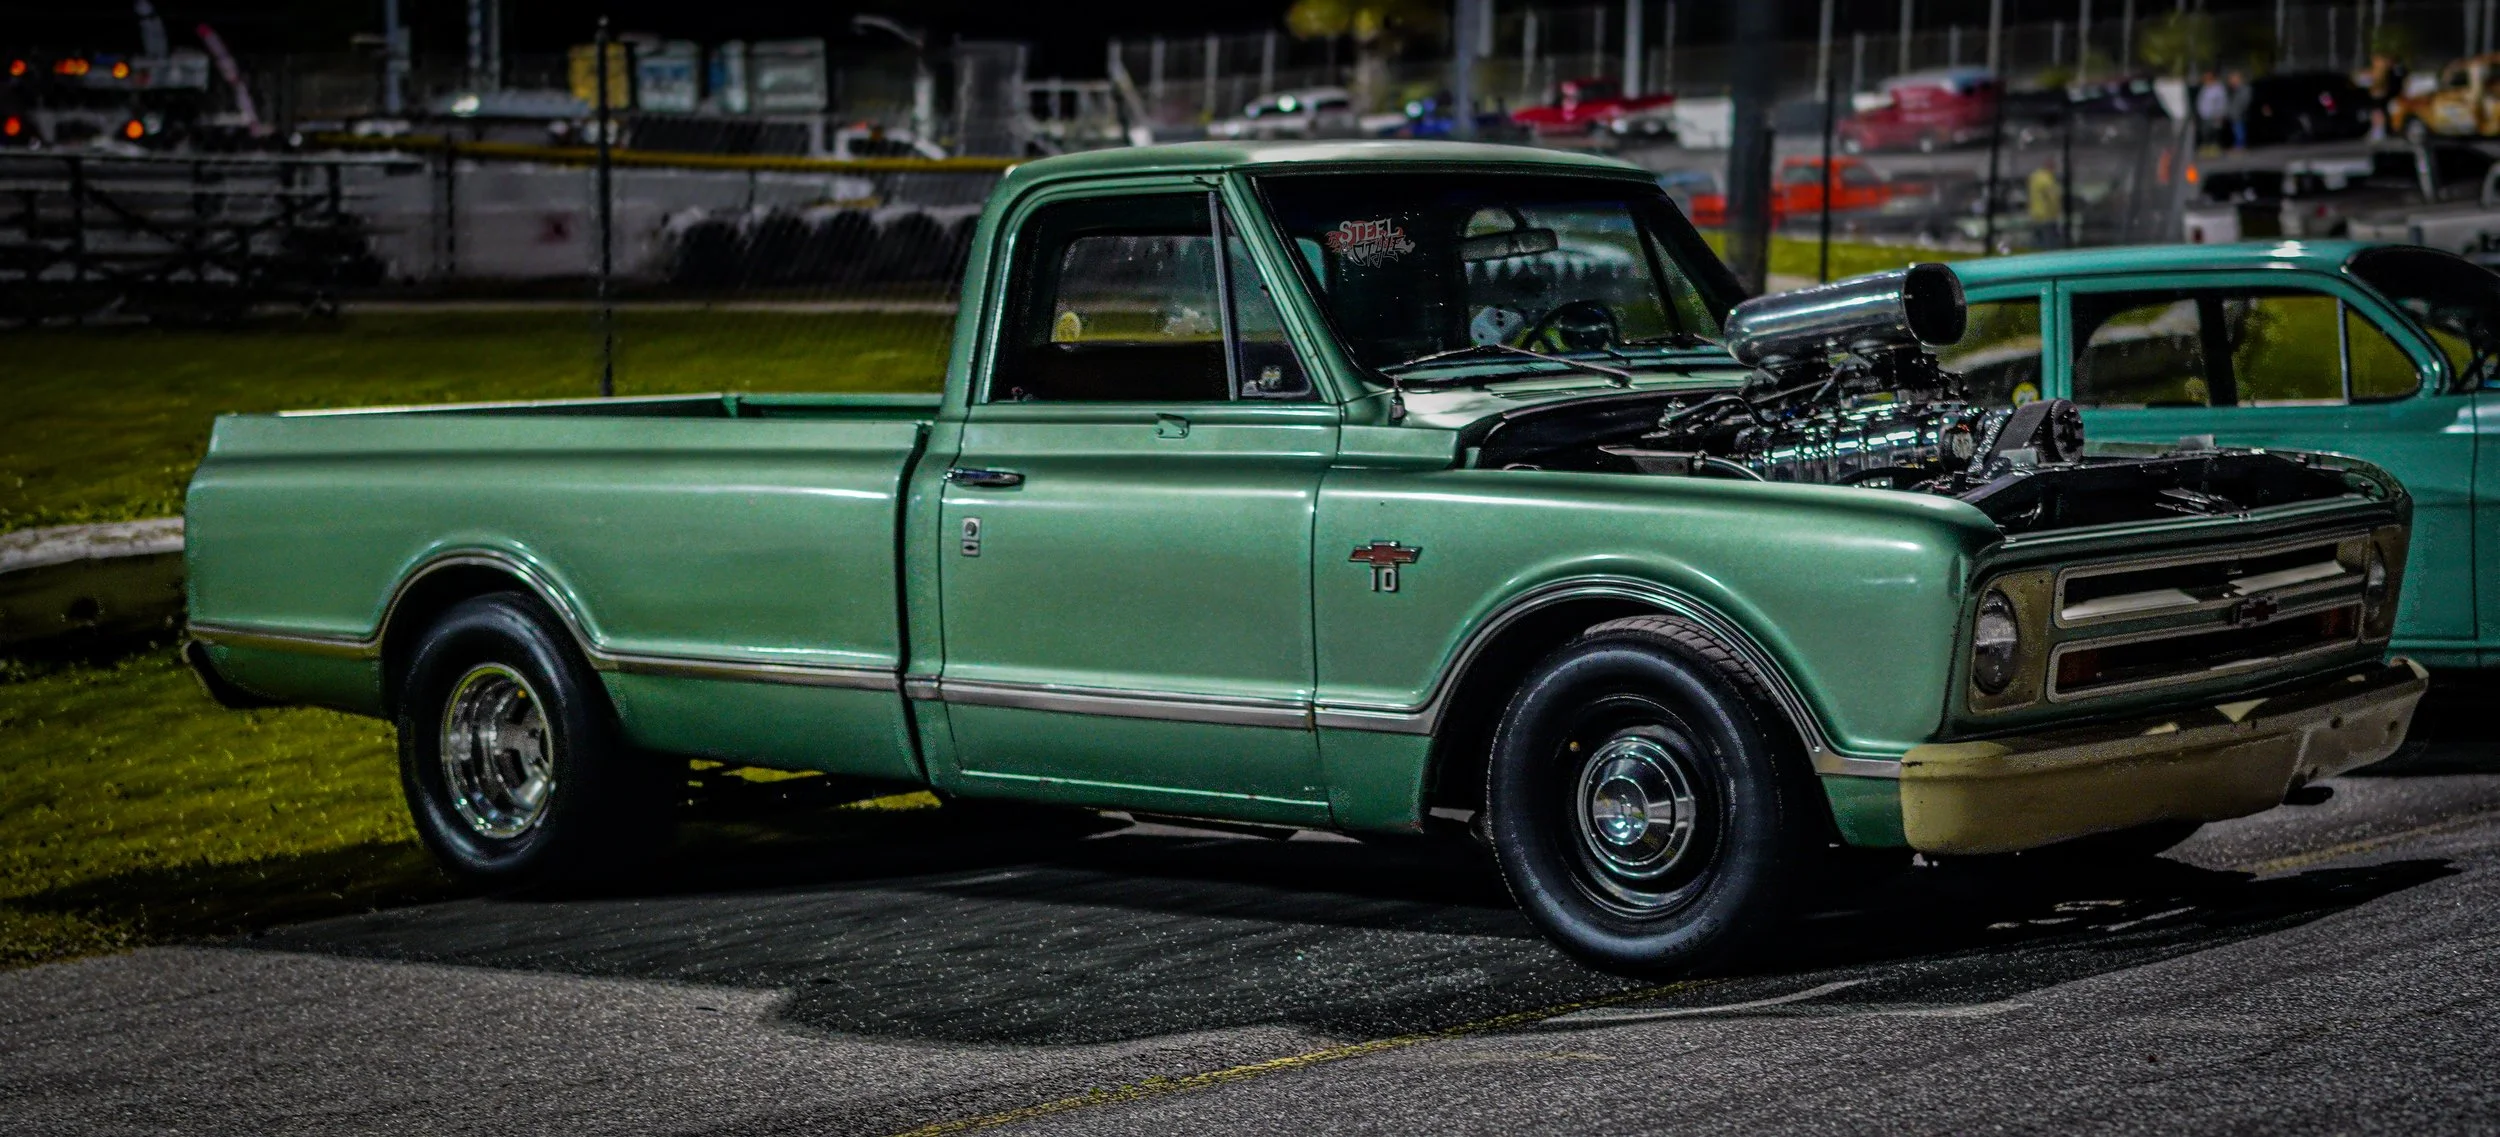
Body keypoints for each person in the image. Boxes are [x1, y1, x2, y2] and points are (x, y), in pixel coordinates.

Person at [2194, 70, 2228, 149]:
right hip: (2205, 115)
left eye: (2208, 78)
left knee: (2215, 131)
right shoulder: (2204, 88)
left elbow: (2222, 102)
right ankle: (2207, 147)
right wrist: (2200, 111)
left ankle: (2215, 147)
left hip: (2215, 115)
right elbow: (2200, 101)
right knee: (2205, 132)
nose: (2206, 80)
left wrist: (2220, 113)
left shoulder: (2219, 88)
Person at [2225, 70, 2252, 149]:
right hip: (2234, 113)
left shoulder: (2243, 89)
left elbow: (2244, 101)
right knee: (2236, 130)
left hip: (2239, 113)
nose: (2230, 81)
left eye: (2232, 79)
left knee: (2239, 129)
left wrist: (2240, 110)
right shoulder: (2233, 89)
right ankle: (2237, 144)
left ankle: (2240, 145)